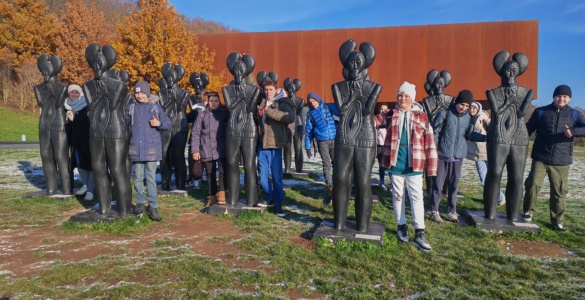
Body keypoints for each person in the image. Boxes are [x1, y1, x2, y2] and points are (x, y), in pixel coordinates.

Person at [380, 82, 437, 252]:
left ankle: (420, 232)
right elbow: (372, 121)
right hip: (396, 163)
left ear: (412, 98)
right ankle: (401, 226)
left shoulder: (422, 117)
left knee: (416, 197)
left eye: (406, 96)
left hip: (415, 164)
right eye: (400, 95)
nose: (402, 98)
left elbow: (430, 142)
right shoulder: (390, 114)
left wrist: (431, 168)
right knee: (398, 196)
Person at [522, 85, 585, 231]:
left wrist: (573, 131)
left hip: (561, 161)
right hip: (540, 157)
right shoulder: (541, 112)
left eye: (564, 96)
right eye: (558, 96)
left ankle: (557, 221)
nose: (561, 98)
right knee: (532, 184)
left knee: (559, 191)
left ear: (569, 98)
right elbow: (527, 129)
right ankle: (528, 212)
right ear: (553, 97)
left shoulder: (575, 114)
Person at [127, 81, 171, 221]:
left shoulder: (155, 107)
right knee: (138, 177)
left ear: (147, 93)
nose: (139, 95)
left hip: (151, 148)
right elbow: (124, 124)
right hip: (136, 148)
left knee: (150, 178)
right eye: (137, 93)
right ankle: (140, 202)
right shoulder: (131, 108)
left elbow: (168, 124)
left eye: (142, 93)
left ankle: (153, 205)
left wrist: (159, 124)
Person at [429, 90, 472, 223]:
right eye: (462, 104)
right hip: (442, 154)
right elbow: (434, 131)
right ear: (457, 102)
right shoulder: (445, 113)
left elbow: (468, 134)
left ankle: (451, 210)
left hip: (458, 156)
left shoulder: (468, 117)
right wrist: (435, 148)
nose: (463, 108)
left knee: (454, 184)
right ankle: (434, 210)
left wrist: (485, 136)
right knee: (438, 184)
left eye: (466, 106)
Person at [255, 79, 296, 216]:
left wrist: (270, 112)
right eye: (266, 90)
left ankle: (279, 204)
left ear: (276, 90)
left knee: (277, 178)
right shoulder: (262, 102)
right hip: (262, 144)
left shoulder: (283, 102)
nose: (268, 92)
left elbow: (290, 117)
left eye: (270, 89)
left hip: (275, 144)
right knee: (262, 177)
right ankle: (270, 196)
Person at [191, 92, 229, 207]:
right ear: (207, 102)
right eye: (211, 101)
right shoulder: (202, 115)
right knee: (209, 173)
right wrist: (195, 150)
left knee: (223, 171)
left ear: (220, 102)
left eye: (216, 101)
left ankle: (221, 192)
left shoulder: (224, 114)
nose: (213, 103)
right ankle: (211, 195)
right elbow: (196, 133)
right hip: (206, 148)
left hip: (221, 148)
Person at [465, 101, 505, 206]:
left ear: (478, 109)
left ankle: (500, 198)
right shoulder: (467, 119)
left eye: (474, 108)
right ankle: (495, 197)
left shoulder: (484, 118)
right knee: (484, 179)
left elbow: (494, 128)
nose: (471, 110)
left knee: (491, 177)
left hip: (487, 152)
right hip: (477, 154)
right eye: (470, 108)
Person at [64, 84, 94, 201]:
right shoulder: (66, 105)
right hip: (75, 141)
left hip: (87, 140)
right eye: (72, 92)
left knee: (90, 165)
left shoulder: (86, 106)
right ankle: (85, 185)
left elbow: (87, 123)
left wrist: (73, 119)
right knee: (80, 164)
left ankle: (91, 190)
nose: (74, 94)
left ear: (80, 94)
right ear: (68, 93)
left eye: (77, 92)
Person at [305, 92, 337, 200]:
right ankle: (330, 186)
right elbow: (308, 132)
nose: (313, 104)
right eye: (310, 102)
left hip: (334, 139)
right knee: (326, 164)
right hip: (322, 141)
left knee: (336, 163)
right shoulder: (310, 114)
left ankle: (338, 184)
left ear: (318, 99)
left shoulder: (328, 107)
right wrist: (308, 147)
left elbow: (341, 112)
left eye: (314, 101)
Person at [374, 104, 389, 191]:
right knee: (381, 164)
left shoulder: (390, 118)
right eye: (381, 109)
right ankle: (382, 182)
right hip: (379, 144)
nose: (383, 111)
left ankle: (392, 183)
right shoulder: (375, 118)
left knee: (390, 165)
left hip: (388, 144)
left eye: (385, 109)